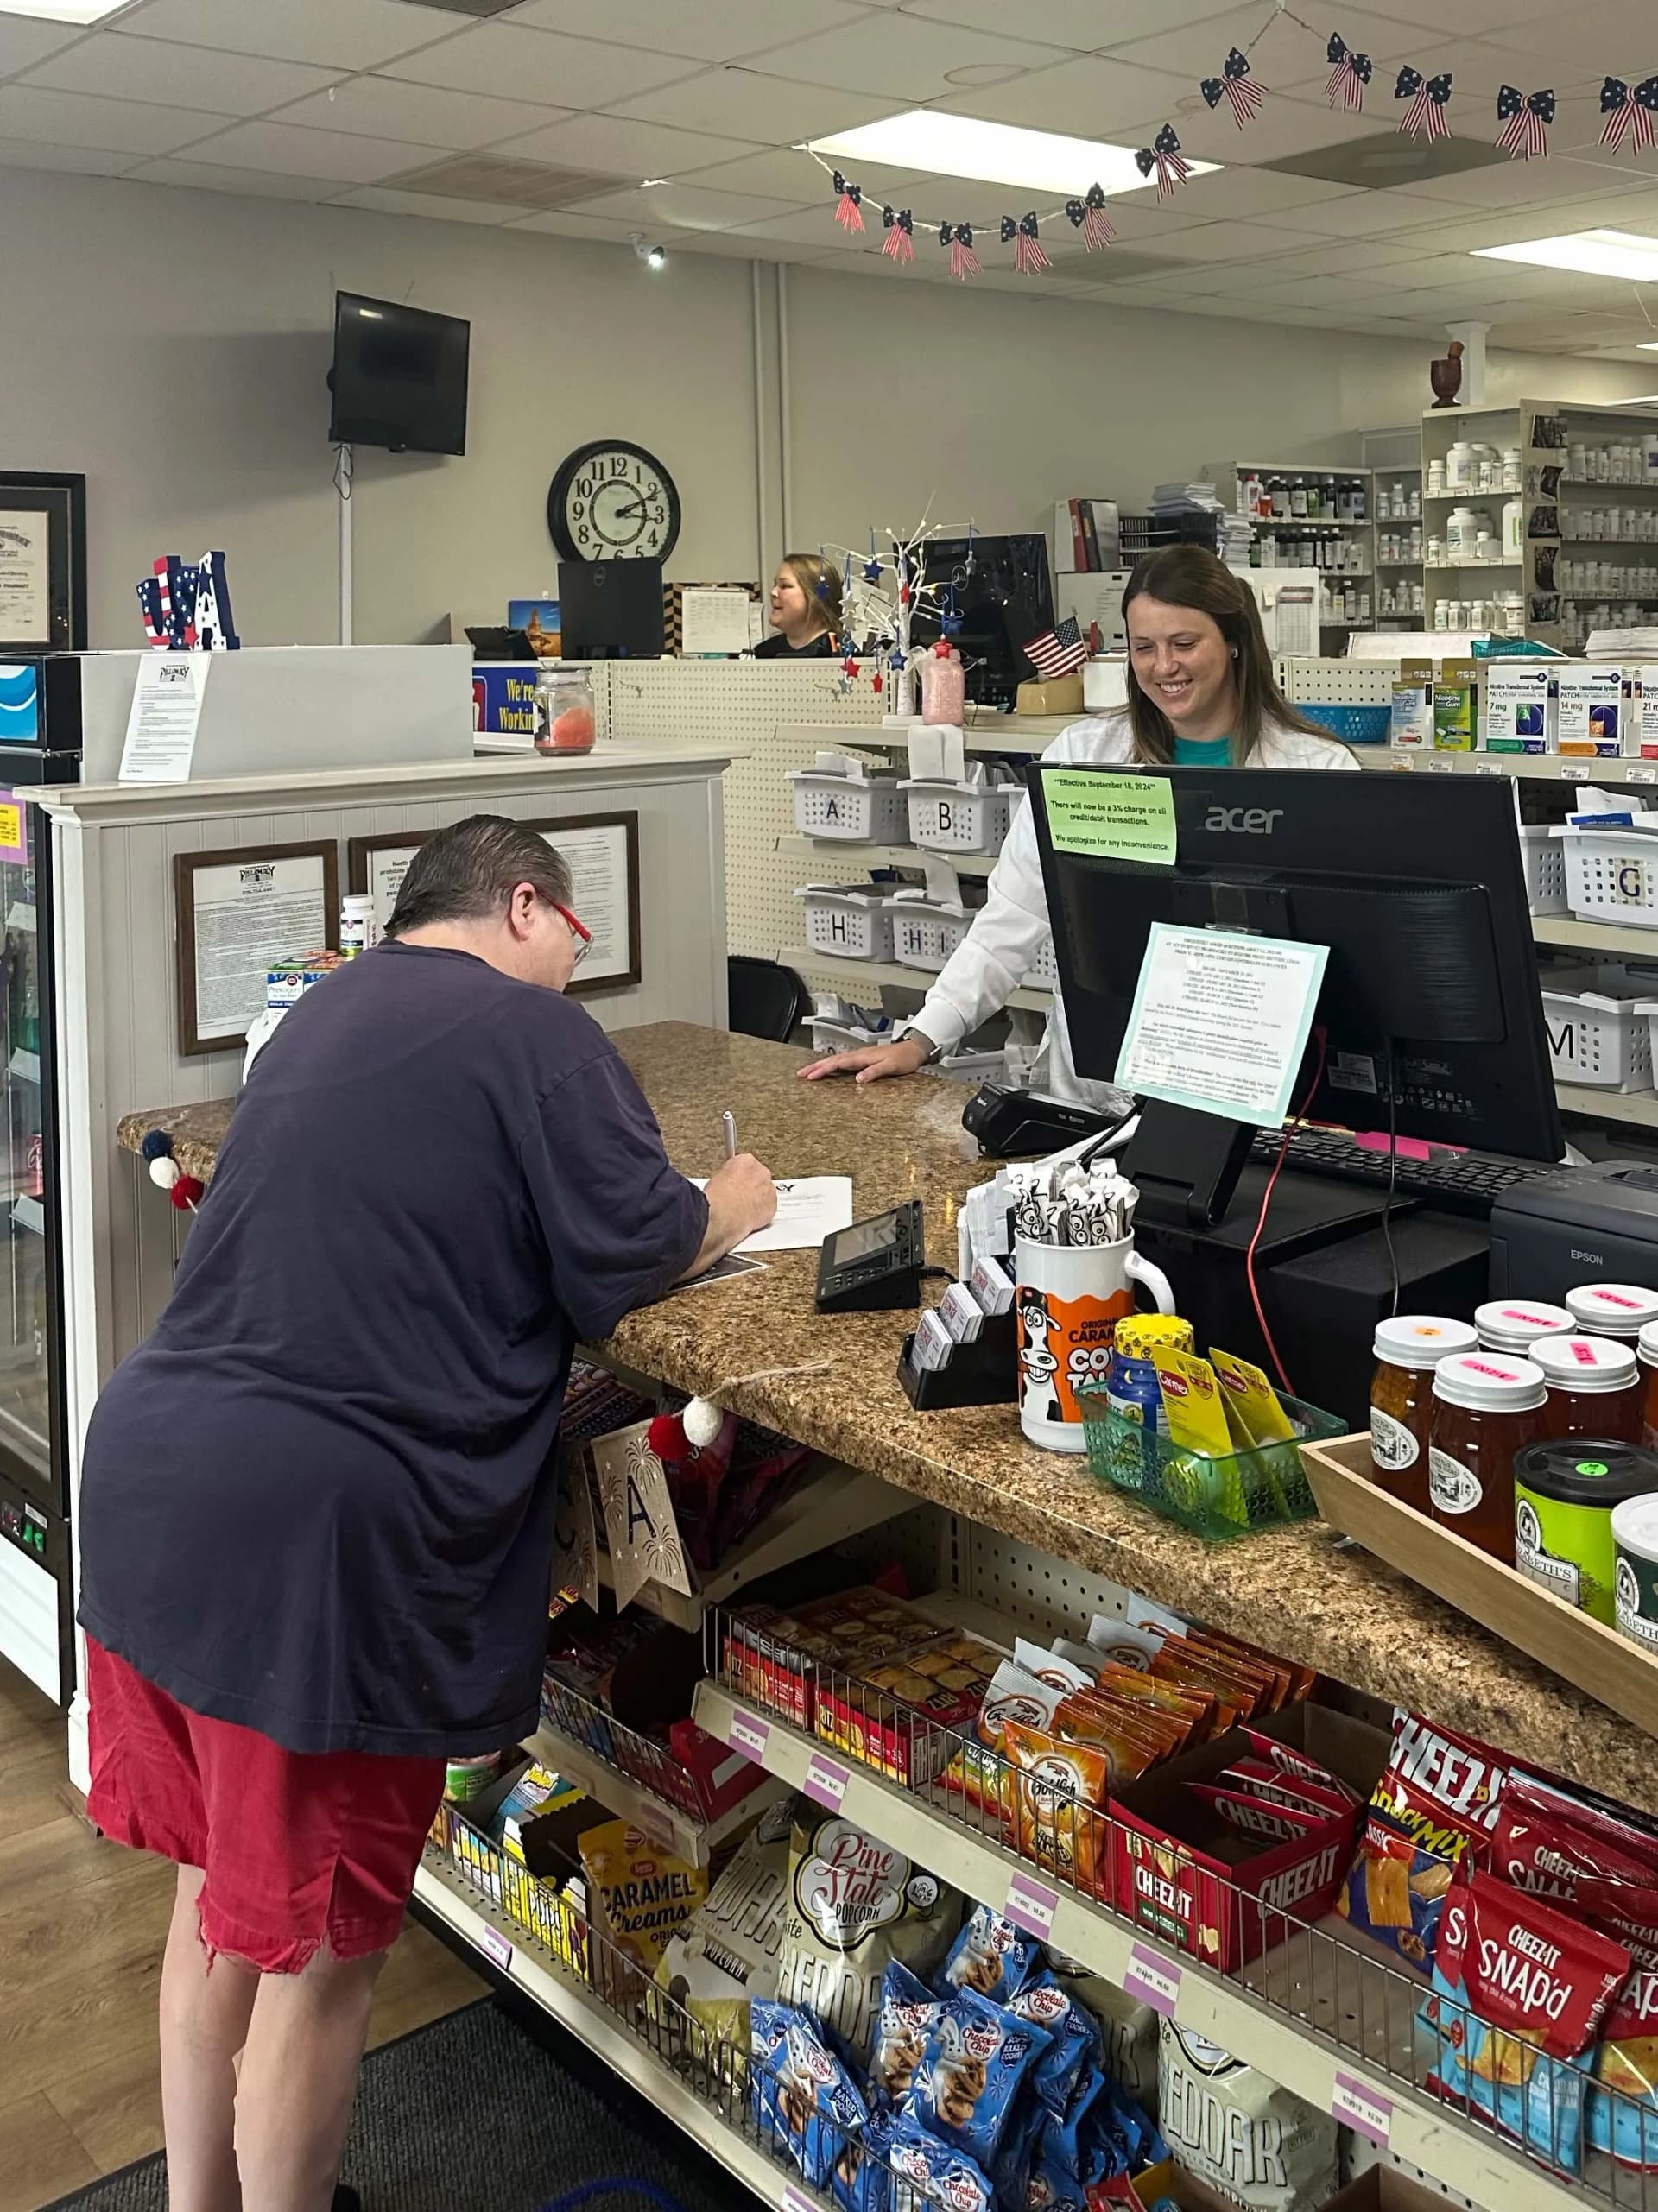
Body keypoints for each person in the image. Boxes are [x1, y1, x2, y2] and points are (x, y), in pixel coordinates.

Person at [76, 816, 775, 2212]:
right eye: (574, 940)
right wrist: (733, 1197)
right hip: (309, 1541)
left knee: (219, 1901)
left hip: (151, 1477)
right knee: (325, 1968)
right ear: (526, 905)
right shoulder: (530, 1031)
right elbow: (629, 1245)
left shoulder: (322, 1016)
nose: (574, 972)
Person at [800, 545, 1357, 1106]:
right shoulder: (1086, 757)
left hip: (1243, 1084)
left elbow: (1350, 951)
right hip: (1097, 1088)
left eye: (1184, 644)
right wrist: (923, 1037)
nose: (1164, 667)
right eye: (1144, 648)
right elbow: (1012, 917)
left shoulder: (1317, 771)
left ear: (1235, 641)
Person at [752, 553, 841, 659]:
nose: (773, 592)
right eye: (775, 585)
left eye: (785, 586)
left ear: (815, 596)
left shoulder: (841, 652)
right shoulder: (763, 653)